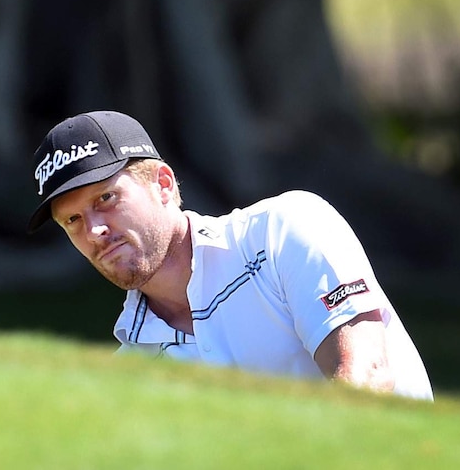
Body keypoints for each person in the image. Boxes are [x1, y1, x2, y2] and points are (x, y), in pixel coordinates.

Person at [27, 110, 433, 401]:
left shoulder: (283, 231)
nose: (94, 230)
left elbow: (366, 376)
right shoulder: (133, 364)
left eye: (107, 198)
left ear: (163, 185)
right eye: (73, 220)